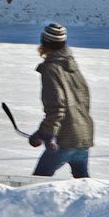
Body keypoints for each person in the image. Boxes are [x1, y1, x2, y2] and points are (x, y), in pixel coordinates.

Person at [29, 23, 93, 179]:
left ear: (44, 42)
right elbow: (83, 100)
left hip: (65, 140)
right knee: (84, 185)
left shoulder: (51, 69)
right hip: (83, 135)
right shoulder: (71, 65)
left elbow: (57, 106)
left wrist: (47, 133)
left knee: (37, 183)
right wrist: (42, 132)